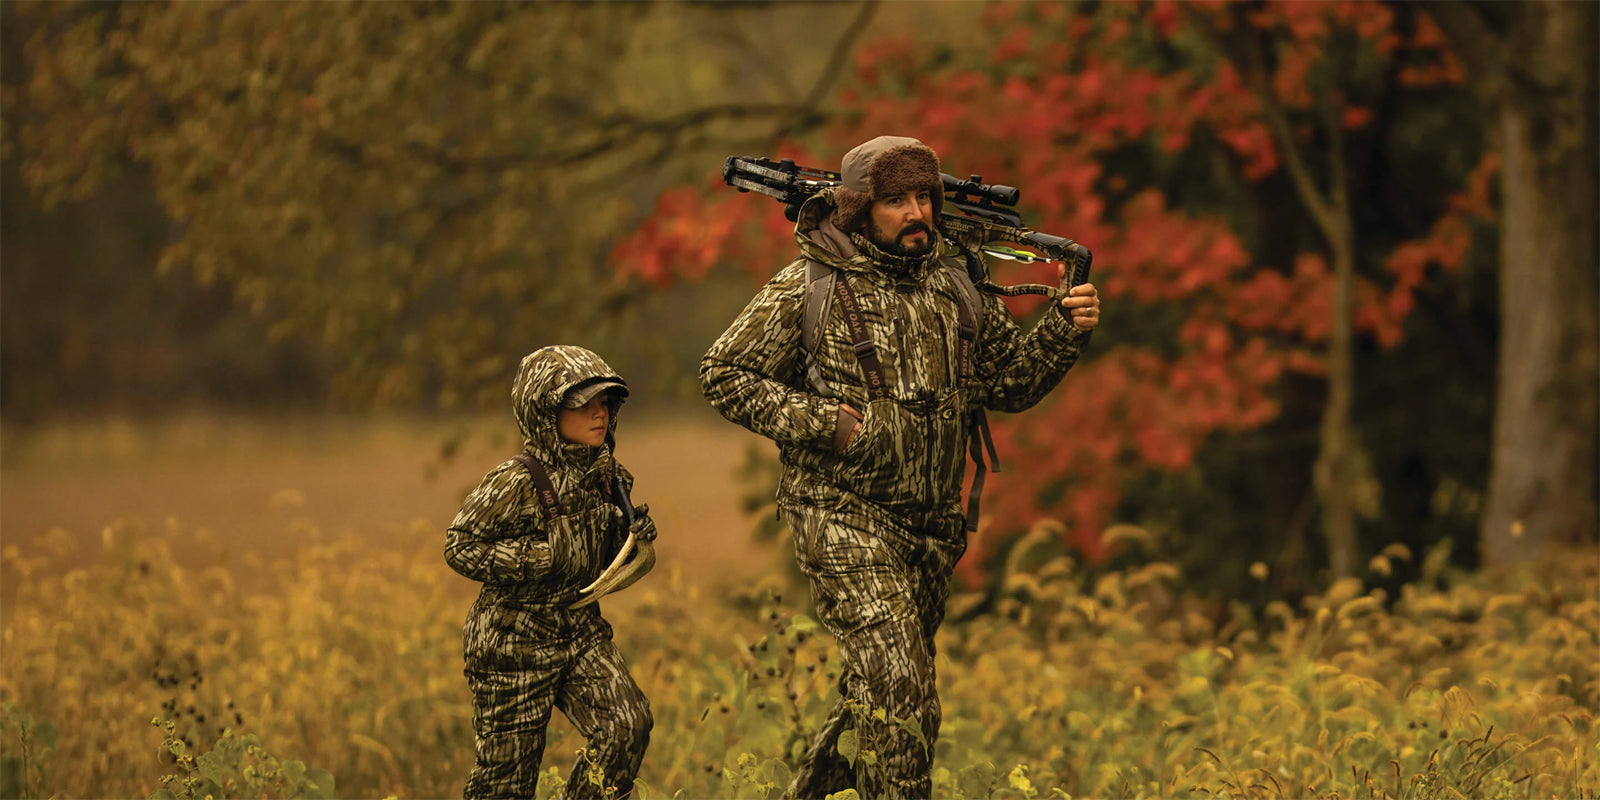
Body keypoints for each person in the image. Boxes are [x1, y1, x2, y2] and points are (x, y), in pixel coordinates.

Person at [700, 135, 1100, 799]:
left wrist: (1064, 330)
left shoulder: (958, 283)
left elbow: (1011, 386)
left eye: (923, 197)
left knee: (876, 697)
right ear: (861, 210)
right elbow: (723, 373)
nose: (915, 213)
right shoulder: (812, 283)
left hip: (931, 529)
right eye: (895, 201)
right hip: (841, 513)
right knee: (903, 689)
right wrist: (826, 423)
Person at [446, 345, 658, 799]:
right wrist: (540, 558)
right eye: (583, 404)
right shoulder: (515, 480)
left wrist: (630, 538)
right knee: (505, 783)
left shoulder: (611, 476)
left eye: (605, 402)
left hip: (579, 630)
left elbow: (601, 563)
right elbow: (460, 546)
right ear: (545, 413)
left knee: (627, 725)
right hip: (512, 641)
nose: (599, 413)